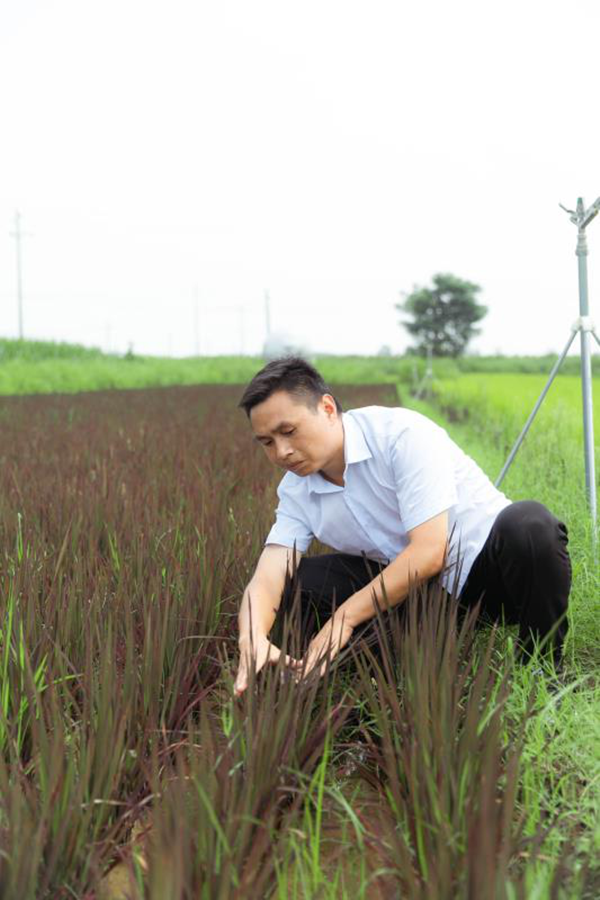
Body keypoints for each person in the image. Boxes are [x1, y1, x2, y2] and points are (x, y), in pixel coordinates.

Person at [233, 357, 571, 697]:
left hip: (486, 575)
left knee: (531, 527)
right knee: (295, 583)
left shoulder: (401, 435)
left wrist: (344, 617)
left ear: (327, 408)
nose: (282, 452)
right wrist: (253, 638)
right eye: (267, 442)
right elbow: (268, 576)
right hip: (416, 594)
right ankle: (378, 658)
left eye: (288, 431)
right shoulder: (295, 490)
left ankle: (542, 666)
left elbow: (429, 553)